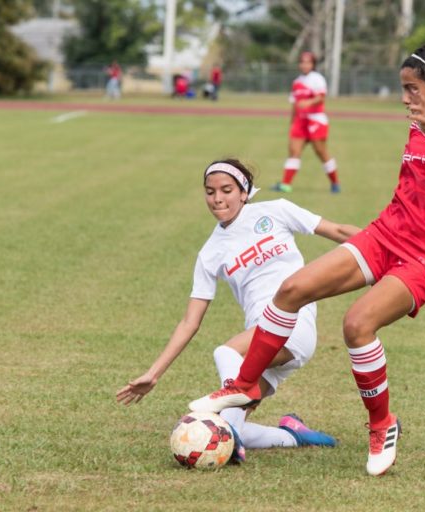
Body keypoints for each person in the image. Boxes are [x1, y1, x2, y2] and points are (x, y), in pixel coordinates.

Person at [189, 44, 425, 476]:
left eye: (412, 89)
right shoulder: (419, 123)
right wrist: (424, 126)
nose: (405, 98)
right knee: (292, 289)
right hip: (385, 234)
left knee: (357, 326)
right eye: (403, 89)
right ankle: (242, 386)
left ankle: (382, 425)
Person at [116, 158, 361, 461]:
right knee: (229, 426)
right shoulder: (210, 252)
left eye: (226, 189)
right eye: (210, 191)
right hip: (261, 344)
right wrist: (153, 374)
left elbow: (337, 230)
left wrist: (388, 245)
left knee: (225, 352)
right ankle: (293, 435)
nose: (217, 198)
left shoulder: (276, 210)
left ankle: (233, 431)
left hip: (293, 326)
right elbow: (189, 322)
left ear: (244, 192)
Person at [273, 52, 340, 194]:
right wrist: (292, 122)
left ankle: (335, 183)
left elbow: (321, 98)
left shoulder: (317, 79)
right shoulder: (296, 81)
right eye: (302, 62)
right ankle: (286, 185)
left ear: (313, 64)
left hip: (316, 120)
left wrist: (308, 102)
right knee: (294, 152)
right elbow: (295, 104)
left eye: (308, 62)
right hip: (300, 121)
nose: (304, 65)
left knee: (321, 152)